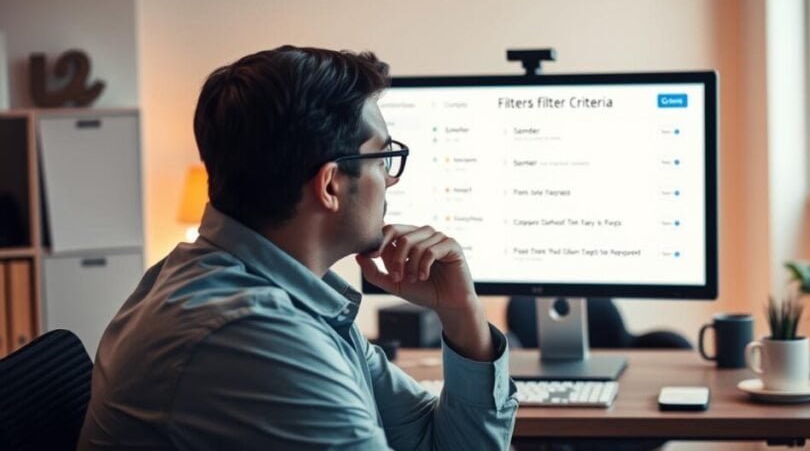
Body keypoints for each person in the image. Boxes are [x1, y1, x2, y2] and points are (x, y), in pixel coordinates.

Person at [78, 46, 518, 450]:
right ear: (329, 184)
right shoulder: (252, 336)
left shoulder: (287, 297)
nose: (389, 180)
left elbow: (433, 443)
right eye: (383, 159)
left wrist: (460, 313)